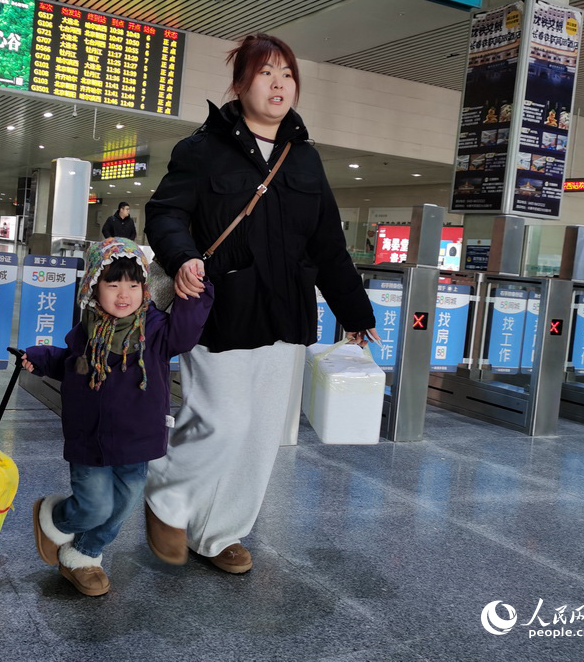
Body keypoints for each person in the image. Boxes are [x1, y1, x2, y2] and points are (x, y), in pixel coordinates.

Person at [142, 33, 379, 575]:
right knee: (222, 419)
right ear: (240, 84)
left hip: (285, 313)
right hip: (218, 308)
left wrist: (355, 312)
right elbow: (164, 213)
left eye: (287, 74)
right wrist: (181, 259)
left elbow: (327, 245)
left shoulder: (306, 160)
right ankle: (167, 499)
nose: (279, 83)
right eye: (266, 73)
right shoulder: (203, 149)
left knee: (262, 431)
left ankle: (218, 532)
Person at [24, 237, 213, 596]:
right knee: (94, 506)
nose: (124, 294)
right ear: (94, 286)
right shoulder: (87, 331)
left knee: (120, 508)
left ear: (145, 287)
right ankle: (55, 517)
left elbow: (186, 333)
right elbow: (72, 364)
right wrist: (42, 358)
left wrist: (194, 291)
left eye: (133, 284)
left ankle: (83, 554)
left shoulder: (156, 330)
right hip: (89, 437)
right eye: (112, 284)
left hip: (137, 440)